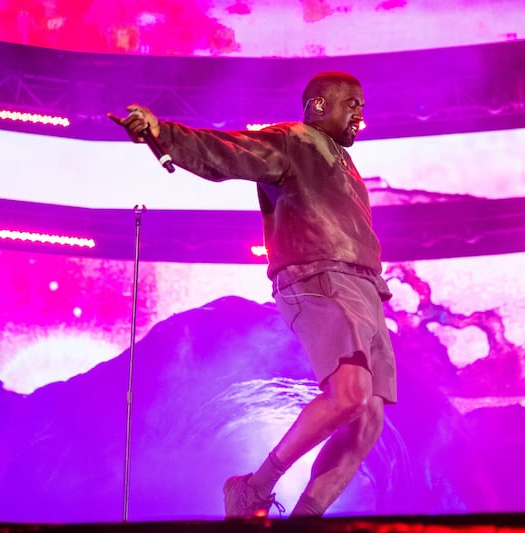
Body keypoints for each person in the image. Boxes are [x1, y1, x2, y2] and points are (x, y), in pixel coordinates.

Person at [109, 71, 397, 519]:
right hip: (320, 275)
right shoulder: (293, 141)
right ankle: (253, 488)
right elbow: (226, 153)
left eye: (362, 104)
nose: (361, 112)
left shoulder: (342, 159)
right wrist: (163, 133)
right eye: (352, 103)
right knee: (350, 395)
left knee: (369, 418)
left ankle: (304, 518)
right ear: (320, 106)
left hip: (365, 288)